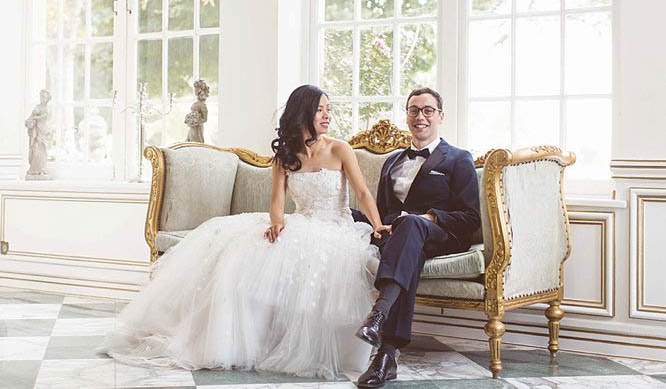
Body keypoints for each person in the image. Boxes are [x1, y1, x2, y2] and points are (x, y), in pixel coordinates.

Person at [98, 85, 391, 379]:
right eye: (320, 109)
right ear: (303, 113)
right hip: (301, 222)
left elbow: (363, 192)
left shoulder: (339, 148)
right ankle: (246, 341)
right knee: (245, 249)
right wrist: (277, 222)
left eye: (329, 109)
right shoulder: (285, 157)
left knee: (310, 256)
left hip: (336, 227)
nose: (327, 115)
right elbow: (276, 203)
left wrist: (377, 224)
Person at [352, 88, 481, 388]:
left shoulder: (459, 159)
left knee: (410, 227)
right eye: (413, 110)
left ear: (440, 116)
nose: (420, 116)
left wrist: (428, 218)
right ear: (407, 116)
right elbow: (384, 213)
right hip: (398, 237)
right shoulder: (393, 161)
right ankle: (386, 354)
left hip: (441, 236)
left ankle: (380, 321)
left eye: (428, 110)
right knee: (348, 215)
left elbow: (471, 218)